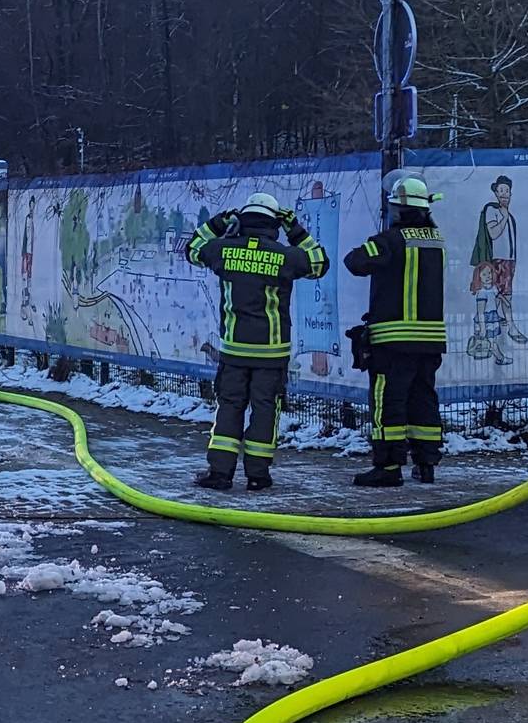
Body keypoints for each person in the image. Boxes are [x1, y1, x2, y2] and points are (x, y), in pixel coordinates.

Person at [185, 192, 329, 491]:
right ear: (273, 222)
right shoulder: (286, 256)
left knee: (229, 406)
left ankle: (220, 474)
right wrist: (294, 228)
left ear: (243, 219)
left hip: (234, 349)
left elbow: (192, 248)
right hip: (271, 352)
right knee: (265, 409)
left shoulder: (223, 250)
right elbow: (320, 262)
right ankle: (258, 476)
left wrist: (218, 222)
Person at [345, 176, 448, 487]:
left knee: (388, 401)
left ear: (399, 210)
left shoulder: (388, 240)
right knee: (423, 399)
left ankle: (388, 467)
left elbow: (355, 262)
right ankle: (426, 463)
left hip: (392, 341)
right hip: (430, 340)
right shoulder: (436, 240)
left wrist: (378, 238)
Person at [468, 174, 523, 358]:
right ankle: (508, 328)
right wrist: (505, 216)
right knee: (500, 295)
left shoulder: (508, 215)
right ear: (495, 192)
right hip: (497, 260)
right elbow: (493, 233)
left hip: (508, 260)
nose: (504, 194)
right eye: (501, 191)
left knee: (505, 294)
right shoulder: (493, 210)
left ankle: (504, 330)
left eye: (507, 191)